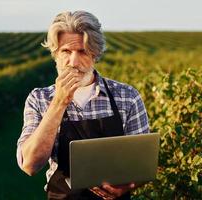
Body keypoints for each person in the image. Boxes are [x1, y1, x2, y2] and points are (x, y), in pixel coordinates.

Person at [16, 10, 149, 200]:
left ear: (95, 54)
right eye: (66, 51)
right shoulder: (39, 99)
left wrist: (128, 186)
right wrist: (59, 102)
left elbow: (143, 165)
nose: (73, 61)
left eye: (82, 51)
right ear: (55, 54)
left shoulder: (127, 97)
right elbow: (30, 164)